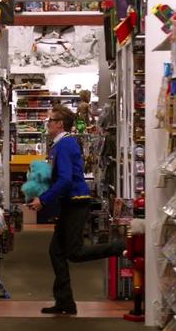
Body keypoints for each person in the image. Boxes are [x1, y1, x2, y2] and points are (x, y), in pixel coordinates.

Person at [28, 105, 125, 315]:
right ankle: (65, 302)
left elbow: (64, 180)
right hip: (70, 202)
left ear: (59, 124)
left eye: (50, 121)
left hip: (75, 203)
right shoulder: (62, 144)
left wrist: (44, 200)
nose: (48, 124)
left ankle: (120, 247)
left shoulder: (64, 145)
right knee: (56, 252)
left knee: (75, 252)